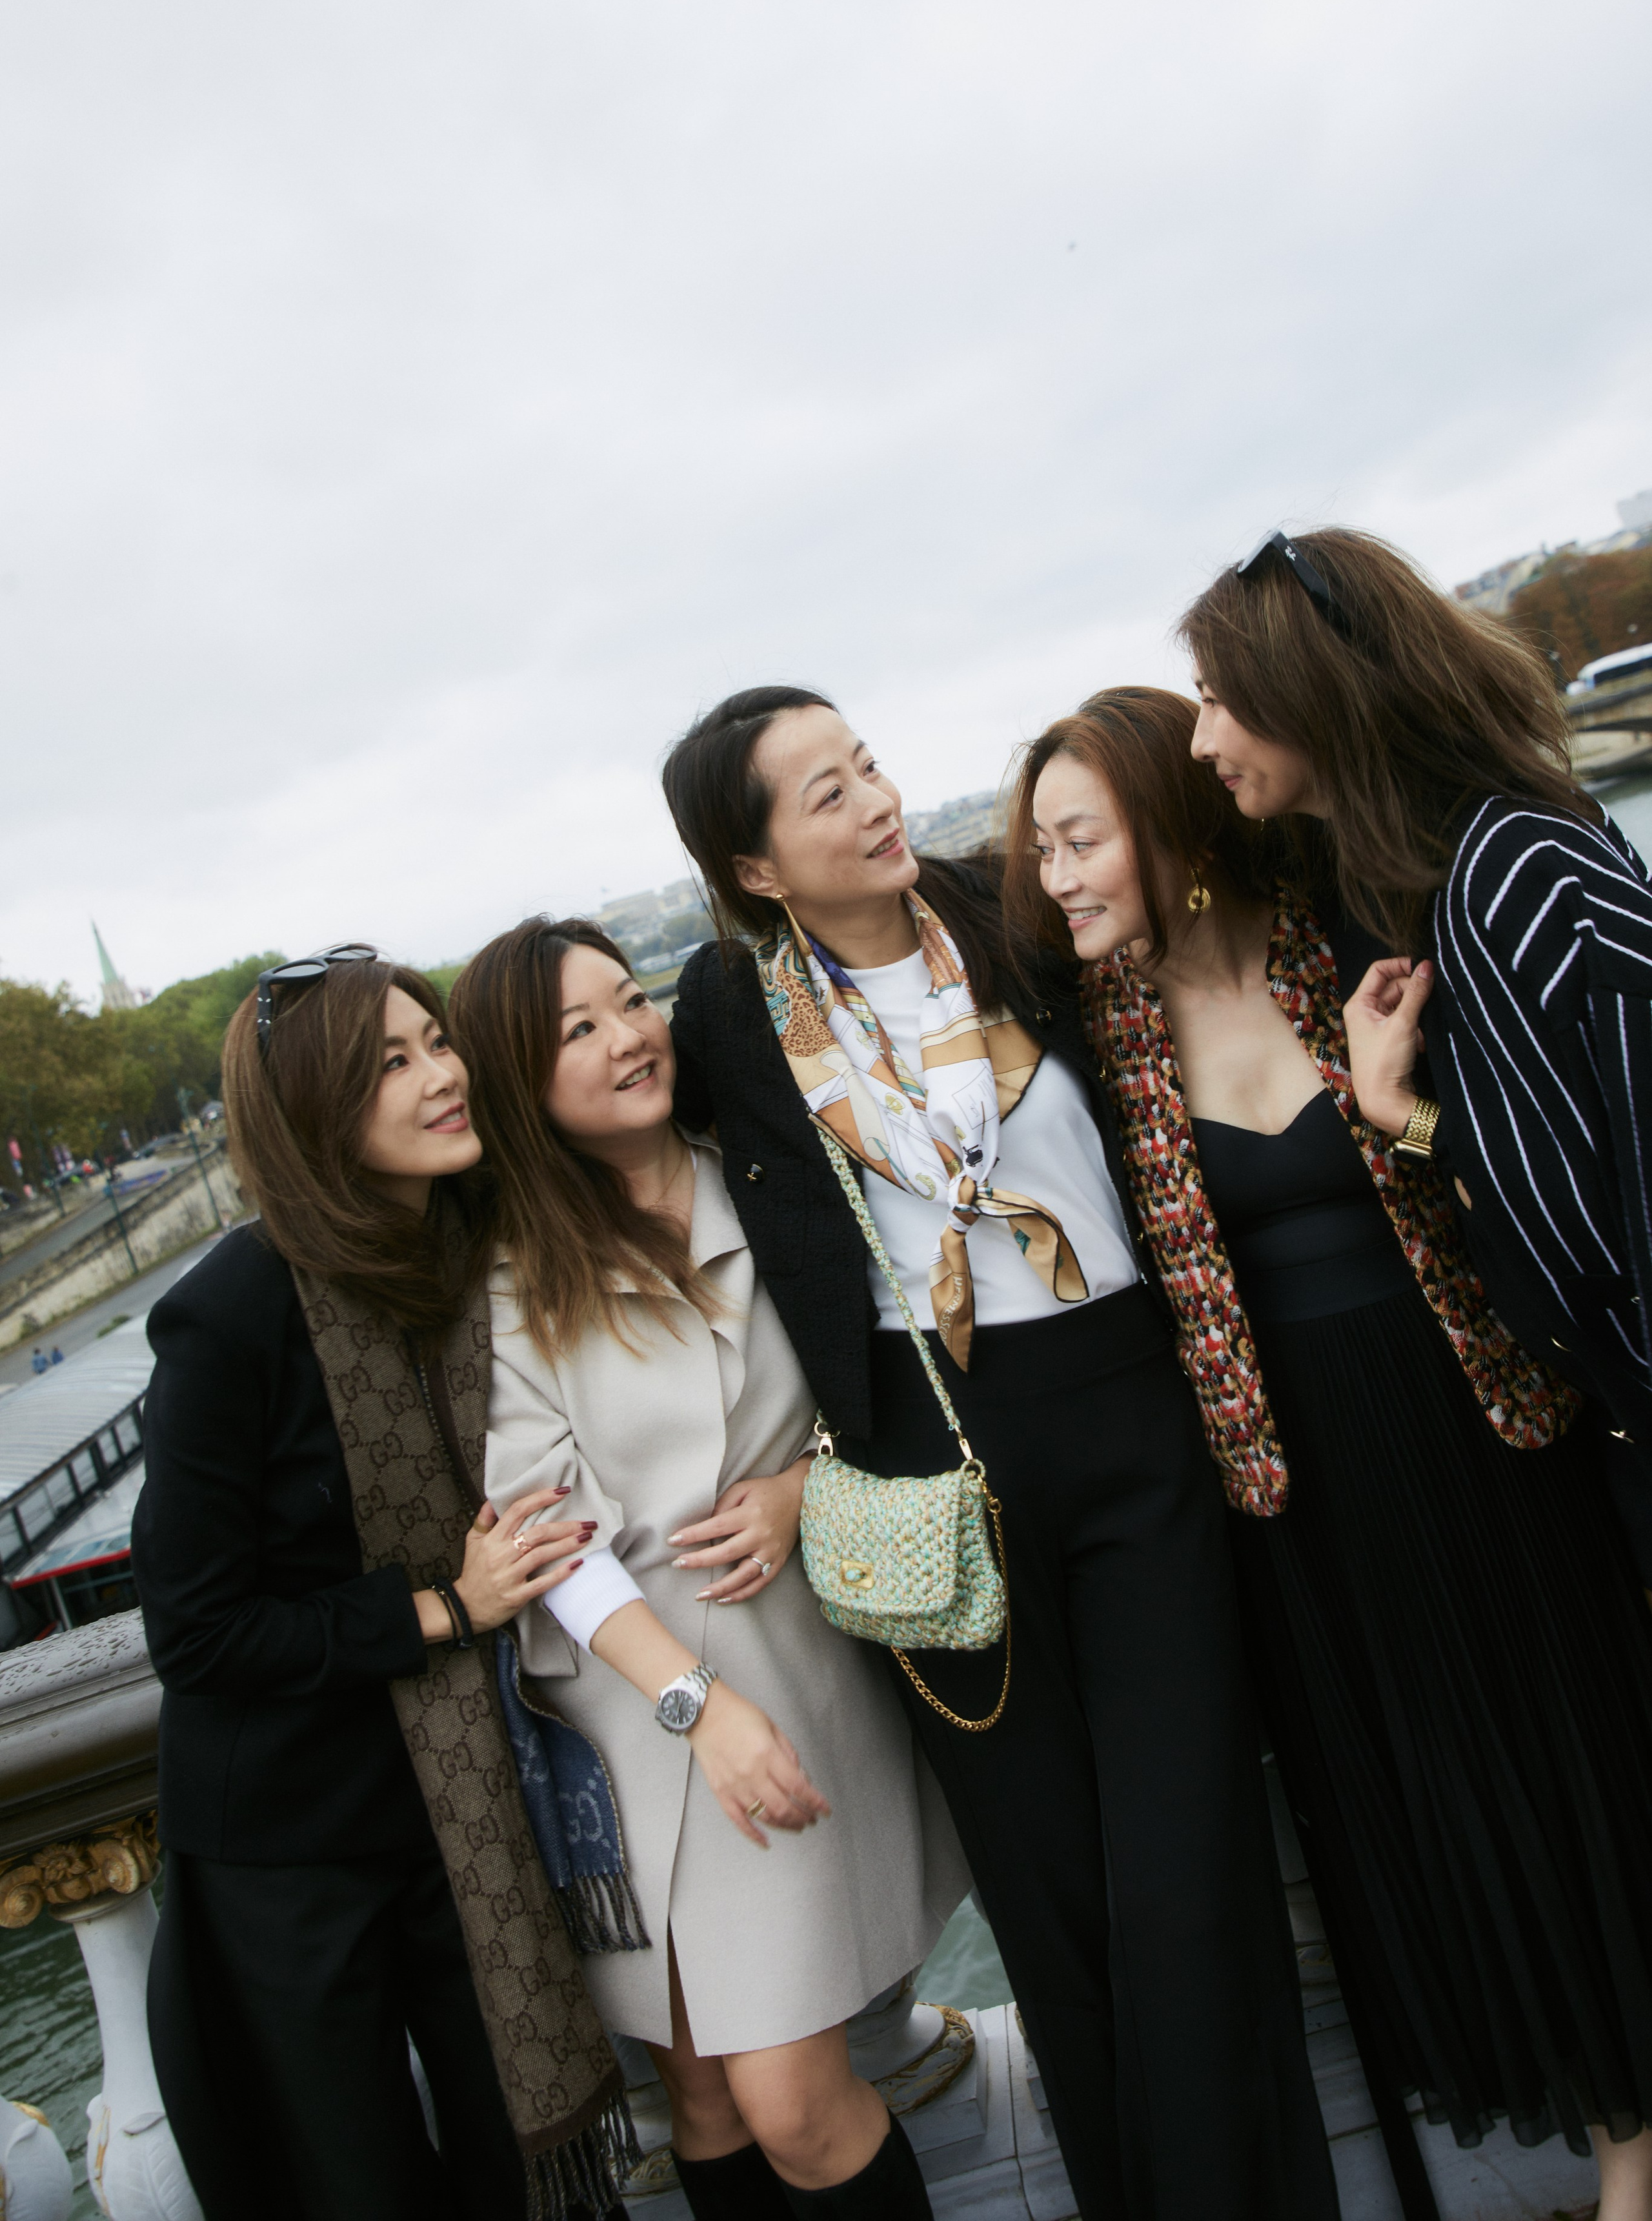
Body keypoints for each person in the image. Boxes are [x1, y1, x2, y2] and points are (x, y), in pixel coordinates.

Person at [654, 686, 1339, 2221]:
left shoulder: (1009, 918)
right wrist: (781, 1464)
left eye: (868, 765)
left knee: (1188, 1870)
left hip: (1133, 1418)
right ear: (758, 868)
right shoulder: (724, 1011)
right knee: (1054, 1901)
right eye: (824, 794)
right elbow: (641, 1193)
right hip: (932, 1466)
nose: (873, 800)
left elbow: (1197, 919)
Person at [1021, 678, 1652, 2221]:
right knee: (1444, 1807)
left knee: (1590, 1764)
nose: (1053, 880)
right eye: (1036, 853)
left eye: (1076, 839)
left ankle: (1631, 2167)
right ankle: (1601, 2127)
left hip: (1483, 1426)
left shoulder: (1361, 935)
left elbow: (1530, 1166)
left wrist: (1392, 1108)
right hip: (1298, 1487)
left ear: (1170, 828)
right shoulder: (1077, 1049)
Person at [448, 917, 967, 2221]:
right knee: (704, 2100)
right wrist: (693, 1706)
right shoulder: (508, 1279)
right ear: (520, 1079)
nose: (628, 1036)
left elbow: (896, 1372)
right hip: (633, 1721)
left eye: (629, 1000)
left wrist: (800, 1487)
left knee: (793, 2103)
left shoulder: (768, 1180)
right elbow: (544, 1534)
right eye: (578, 1029)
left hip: (792, 1669)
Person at [132, 948, 631, 2221]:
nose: (441, 1077)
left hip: (463, 1801)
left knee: (511, 2151)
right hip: (291, 1840)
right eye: (391, 1064)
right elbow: (196, 1630)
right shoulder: (229, 1315)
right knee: (351, 2181)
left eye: (438, 1043)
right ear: (310, 1112)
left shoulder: (477, 1248)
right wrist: (445, 1609)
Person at [1178, 525, 1652, 1588]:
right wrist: (1400, 1112)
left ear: (1304, 687)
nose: (1201, 741)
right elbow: (1553, 1167)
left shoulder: (1524, 867)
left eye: (1215, 697)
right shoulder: (1456, 880)